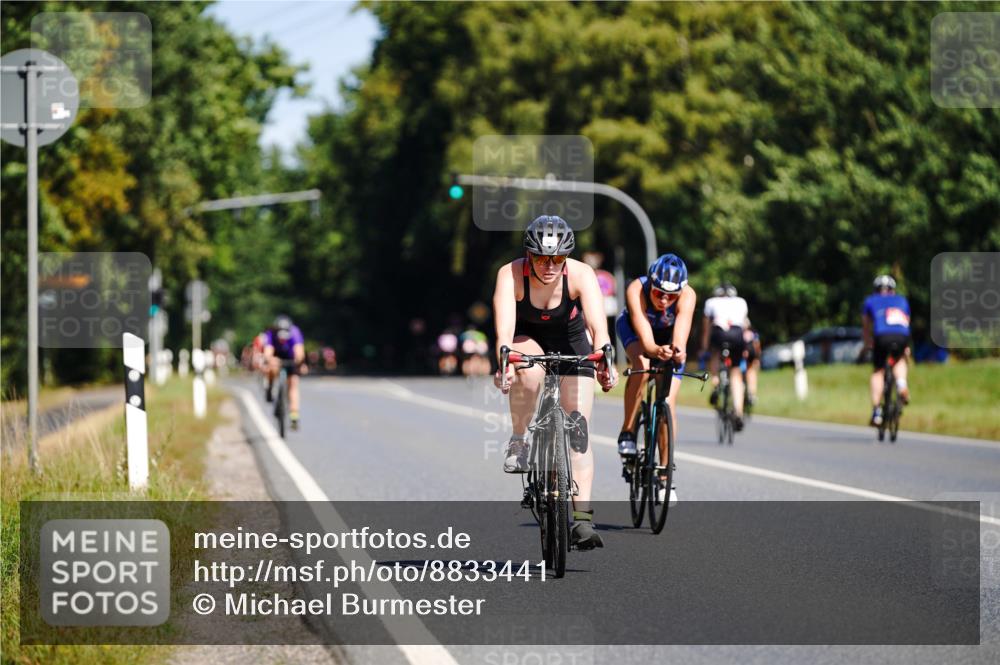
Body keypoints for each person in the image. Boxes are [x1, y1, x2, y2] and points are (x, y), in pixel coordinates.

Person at [493, 215, 617, 550]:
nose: (549, 266)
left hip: (571, 341)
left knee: (579, 430)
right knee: (528, 371)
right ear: (529, 255)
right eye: (541, 258)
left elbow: (599, 327)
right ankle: (519, 440)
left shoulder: (581, 274)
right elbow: (504, 330)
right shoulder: (510, 274)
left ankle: (583, 521)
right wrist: (504, 364)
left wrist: (605, 361)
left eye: (558, 258)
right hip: (527, 338)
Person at [614, 253, 696, 506]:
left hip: (667, 335)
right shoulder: (636, 289)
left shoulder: (688, 295)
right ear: (651, 284)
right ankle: (628, 432)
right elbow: (647, 341)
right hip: (636, 332)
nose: (664, 300)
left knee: (667, 403)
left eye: (671, 296)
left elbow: (680, 334)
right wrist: (654, 350)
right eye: (659, 293)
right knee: (644, 365)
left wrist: (677, 351)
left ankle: (665, 476)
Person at [862, 274, 911, 426]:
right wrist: (906, 347)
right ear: (893, 290)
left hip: (882, 337)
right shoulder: (902, 300)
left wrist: (867, 343)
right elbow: (905, 323)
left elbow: (866, 326)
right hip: (901, 336)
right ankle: (902, 385)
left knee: (878, 371)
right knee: (899, 359)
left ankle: (876, 411)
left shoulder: (870, 301)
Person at [699, 282, 749, 430]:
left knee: (714, 355)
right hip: (737, 334)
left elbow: (706, 327)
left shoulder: (711, 302)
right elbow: (744, 324)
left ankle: (715, 383)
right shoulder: (741, 301)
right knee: (736, 372)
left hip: (719, 333)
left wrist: (704, 346)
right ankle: (738, 412)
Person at [264, 314, 306, 430]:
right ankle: (270, 386)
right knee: (271, 368)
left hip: (290, 357)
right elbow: (268, 351)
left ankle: (294, 417)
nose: (282, 339)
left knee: (293, 383)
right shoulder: (271, 333)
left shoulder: (295, 332)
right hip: (276, 356)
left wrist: (299, 362)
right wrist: (270, 359)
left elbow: (299, 351)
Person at [741, 322, 762, 408]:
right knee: (751, 372)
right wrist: (757, 359)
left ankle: (746, 393)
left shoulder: (736, 332)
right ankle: (752, 394)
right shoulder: (753, 334)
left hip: (741, 356)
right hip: (751, 356)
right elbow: (757, 347)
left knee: (738, 373)